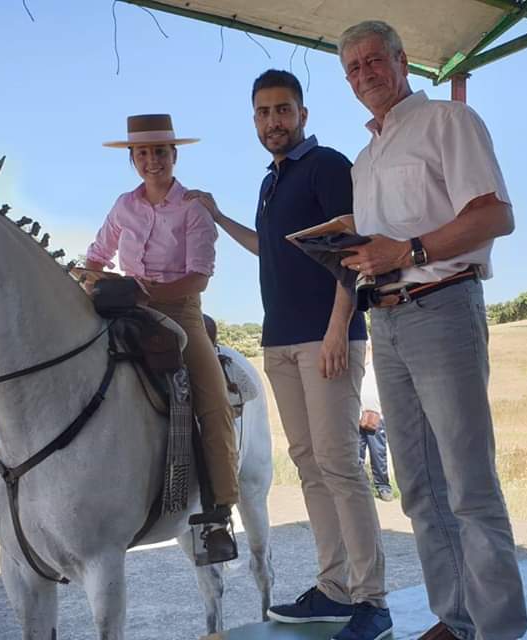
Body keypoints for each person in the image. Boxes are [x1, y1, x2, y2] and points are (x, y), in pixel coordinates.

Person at [337, 20, 527, 640]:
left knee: (468, 484)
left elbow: (496, 215)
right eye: (353, 68)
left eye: (373, 60)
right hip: (387, 321)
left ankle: (498, 630)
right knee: (419, 487)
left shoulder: (449, 121)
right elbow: (383, 246)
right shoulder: (365, 158)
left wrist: (409, 251)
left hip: (443, 307)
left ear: (402, 59)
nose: (364, 74)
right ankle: (457, 619)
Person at [186, 70, 391, 640]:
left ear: (302, 113)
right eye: (263, 112)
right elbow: (269, 249)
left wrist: (337, 331)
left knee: (340, 466)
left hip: (325, 339)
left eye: (283, 110)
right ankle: (333, 588)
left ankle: (372, 601)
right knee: (308, 465)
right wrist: (220, 216)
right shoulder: (271, 183)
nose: (273, 121)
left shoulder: (327, 165)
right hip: (279, 342)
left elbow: (353, 253)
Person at [84, 113, 237, 565]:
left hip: (179, 310)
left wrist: (144, 292)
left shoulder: (193, 208)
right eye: (143, 153)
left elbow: (198, 280)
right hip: (126, 307)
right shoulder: (121, 206)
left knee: (212, 399)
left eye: (160, 152)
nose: (152, 160)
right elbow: (96, 255)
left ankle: (218, 513)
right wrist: (95, 282)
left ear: (174, 155)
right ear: (132, 159)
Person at [360, 344, 394, 502]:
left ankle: (383, 487)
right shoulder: (359, 367)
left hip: (376, 416)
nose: (366, 351)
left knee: (378, 453)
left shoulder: (377, 368)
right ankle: (360, 486)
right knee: (356, 455)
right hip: (358, 416)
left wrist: (381, 412)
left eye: (368, 348)